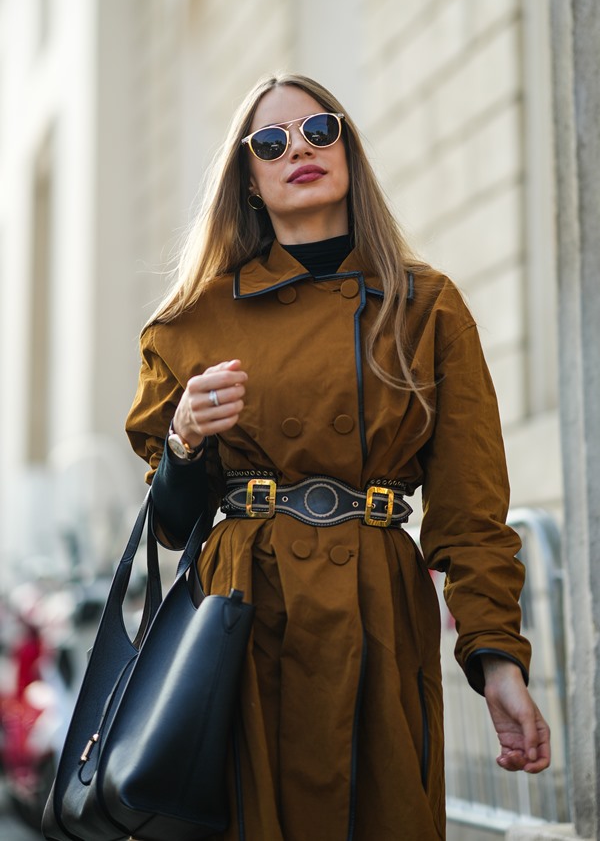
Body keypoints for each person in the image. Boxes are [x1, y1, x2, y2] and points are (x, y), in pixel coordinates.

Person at [125, 73, 550, 841]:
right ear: (248, 180)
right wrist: (185, 436)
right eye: (271, 143)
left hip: (379, 615)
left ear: (348, 147)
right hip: (244, 620)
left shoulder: (428, 308)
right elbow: (170, 523)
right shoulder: (192, 322)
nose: (300, 151)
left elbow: (472, 511)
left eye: (320, 131)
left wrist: (500, 666)